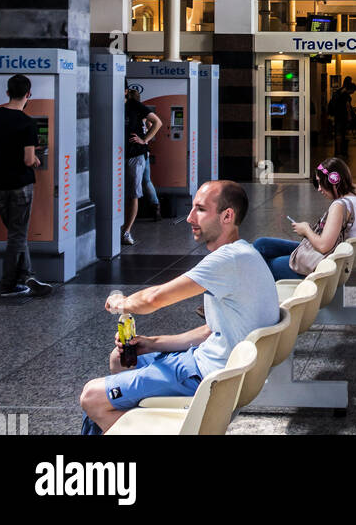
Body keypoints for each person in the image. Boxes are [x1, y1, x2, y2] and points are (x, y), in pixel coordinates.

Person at [79, 179, 278, 434]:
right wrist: (152, 342)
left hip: (208, 375)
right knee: (120, 361)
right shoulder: (242, 254)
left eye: (201, 209)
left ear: (227, 215)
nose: (189, 217)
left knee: (91, 397)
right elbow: (211, 331)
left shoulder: (227, 260)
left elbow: (155, 299)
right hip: (214, 365)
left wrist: (122, 303)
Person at [0, 75, 52, 298]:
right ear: (28, 94)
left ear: (7, 93)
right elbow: (28, 159)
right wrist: (36, 160)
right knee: (17, 234)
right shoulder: (27, 122)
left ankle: (28, 276)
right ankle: (8, 285)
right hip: (20, 184)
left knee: (17, 233)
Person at [254, 156, 356, 279]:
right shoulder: (355, 201)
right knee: (262, 244)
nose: (319, 189)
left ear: (333, 180)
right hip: (327, 257)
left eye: (320, 183)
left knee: (264, 266)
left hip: (321, 264)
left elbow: (323, 246)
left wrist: (306, 230)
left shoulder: (339, 206)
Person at [121, 85, 162, 245]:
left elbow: (157, 122)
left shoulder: (134, 105)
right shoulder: (113, 105)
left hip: (135, 153)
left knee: (133, 192)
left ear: (125, 91)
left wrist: (144, 140)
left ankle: (126, 231)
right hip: (116, 154)